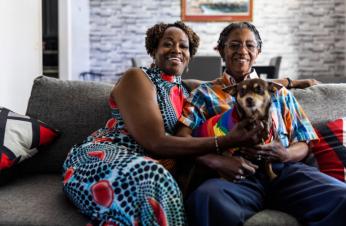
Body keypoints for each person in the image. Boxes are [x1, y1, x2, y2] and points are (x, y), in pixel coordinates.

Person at [62, 21, 271, 226]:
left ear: (190, 56)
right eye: (168, 43)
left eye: (184, 46)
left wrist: (292, 83)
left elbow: (231, 84)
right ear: (154, 49)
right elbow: (156, 143)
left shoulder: (189, 91)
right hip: (107, 155)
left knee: (163, 178)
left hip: (154, 166)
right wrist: (222, 145)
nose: (177, 50)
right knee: (153, 175)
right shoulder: (137, 77)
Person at [177, 22, 346, 226]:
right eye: (234, 45)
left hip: (285, 171)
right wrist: (216, 161)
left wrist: (285, 154)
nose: (243, 51)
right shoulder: (203, 94)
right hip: (236, 174)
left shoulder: (280, 93)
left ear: (257, 52)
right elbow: (181, 139)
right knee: (206, 199)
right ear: (222, 52)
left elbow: (304, 140)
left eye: (250, 46)